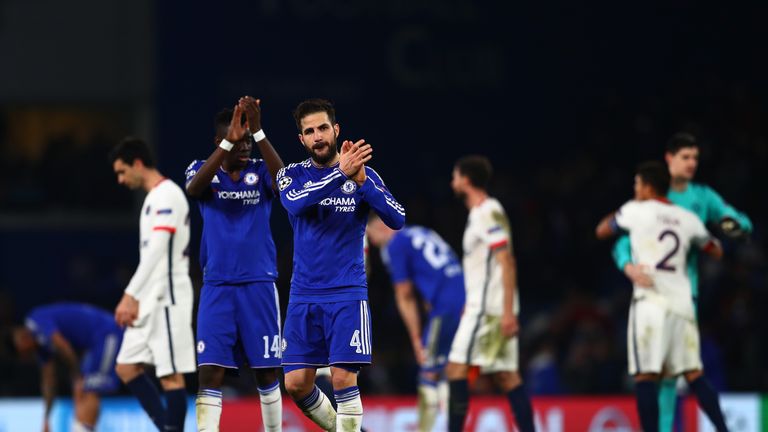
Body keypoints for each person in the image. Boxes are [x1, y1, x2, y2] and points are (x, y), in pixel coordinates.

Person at [277, 98, 405, 432]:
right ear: (301, 140)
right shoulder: (291, 175)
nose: (317, 136)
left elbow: (397, 218)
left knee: (343, 379)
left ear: (335, 130)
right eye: (309, 131)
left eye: (322, 128)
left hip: (347, 293)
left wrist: (362, 182)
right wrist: (340, 174)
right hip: (303, 294)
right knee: (296, 385)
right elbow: (296, 203)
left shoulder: (363, 174)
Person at [612, 133, 752, 432]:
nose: (691, 164)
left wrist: (735, 226)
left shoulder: (702, 197)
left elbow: (737, 222)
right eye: (685, 157)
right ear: (669, 158)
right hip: (653, 294)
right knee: (675, 375)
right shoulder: (650, 198)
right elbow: (621, 243)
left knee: (669, 376)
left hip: (684, 295)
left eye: (695, 158)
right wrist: (628, 266)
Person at [596, 161, 730, 432]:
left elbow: (602, 231)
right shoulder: (687, 218)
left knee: (646, 375)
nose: (634, 189)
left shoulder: (635, 210)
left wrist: (623, 211)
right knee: (693, 374)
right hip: (682, 305)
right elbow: (715, 250)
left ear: (646, 187)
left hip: (650, 304)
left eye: (636, 184)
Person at [185, 97, 285, 432]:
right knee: (209, 371)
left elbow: (284, 185)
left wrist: (258, 132)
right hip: (217, 287)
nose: (245, 148)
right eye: (238, 142)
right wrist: (231, 138)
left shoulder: (260, 170)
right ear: (221, 141)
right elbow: (193, 189)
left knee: (266, 372)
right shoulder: (203, 170)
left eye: (247, 143)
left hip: (259, 284)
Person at [110, 137, 196, 432]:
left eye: (122, 172)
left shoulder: (167, 195)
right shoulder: (151, 199)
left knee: (171, 376)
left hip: (169, 297)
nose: (121, 180)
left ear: (137, 163)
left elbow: (159, 249)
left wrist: (128, 295)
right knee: (126, 367)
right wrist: (137, 297)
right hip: (150, 298)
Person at [445, 155, 535, 432]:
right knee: (507, 376)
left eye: (455, 176)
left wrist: (508, 311)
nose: (452, 182)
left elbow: (506, 260)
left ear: (466, 180)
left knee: (456, 369)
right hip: (486, 306)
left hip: (488, 310)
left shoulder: (486, 211)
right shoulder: (481, 213)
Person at [366, 216, 464, 432]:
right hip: (462, 300)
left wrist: (416, 338)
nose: (371, 242)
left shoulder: (395, 245)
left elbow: (405, 294)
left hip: (446, 307)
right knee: (448, 370)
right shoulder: (420, 231)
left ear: (381, 226)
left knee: (429, 372)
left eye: (370, 234)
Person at [13, 303, 123, 432]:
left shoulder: (37, 321)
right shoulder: (39, 345)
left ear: (23, 339)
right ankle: (81, 428)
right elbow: (49, 381)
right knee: (81, 388)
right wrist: (46, 418)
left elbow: (63, 346)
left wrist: (77, 376)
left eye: (24, 353)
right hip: (94, 344)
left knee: (90, 388)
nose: (27, 357)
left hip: (107, 333)